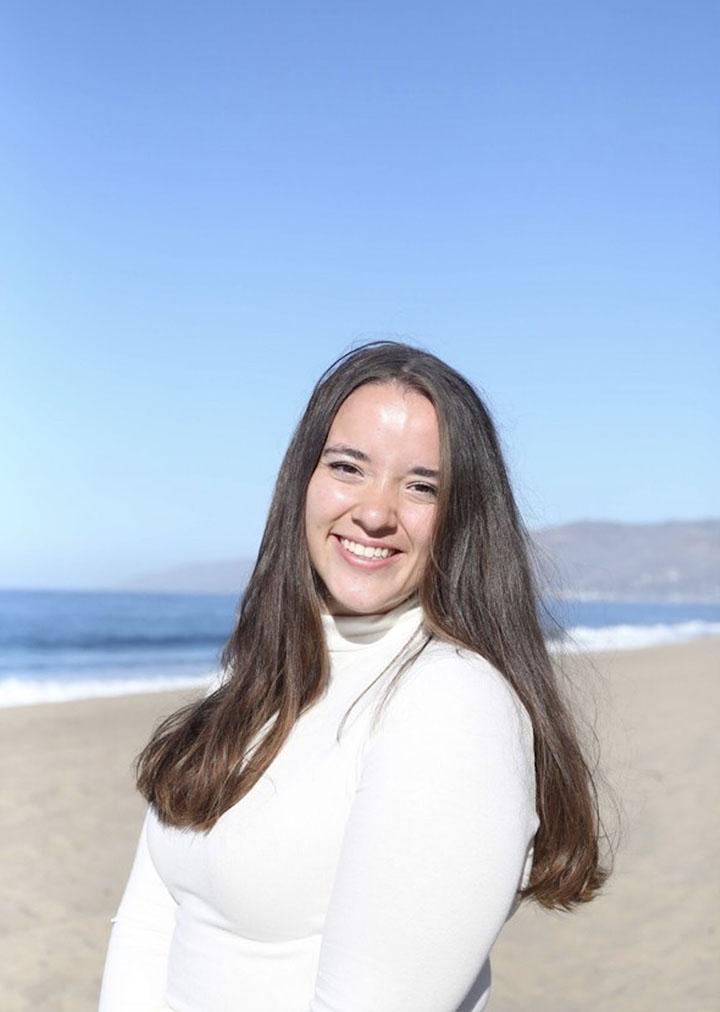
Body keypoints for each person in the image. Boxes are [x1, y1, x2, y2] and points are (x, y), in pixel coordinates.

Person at [98, 341, 609, 1012]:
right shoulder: (250, 675)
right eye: (349, 468)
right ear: (303, 480)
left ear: (462, 517)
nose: (375, 512)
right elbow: (147, 926)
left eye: (422, 486)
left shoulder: (453, 702)